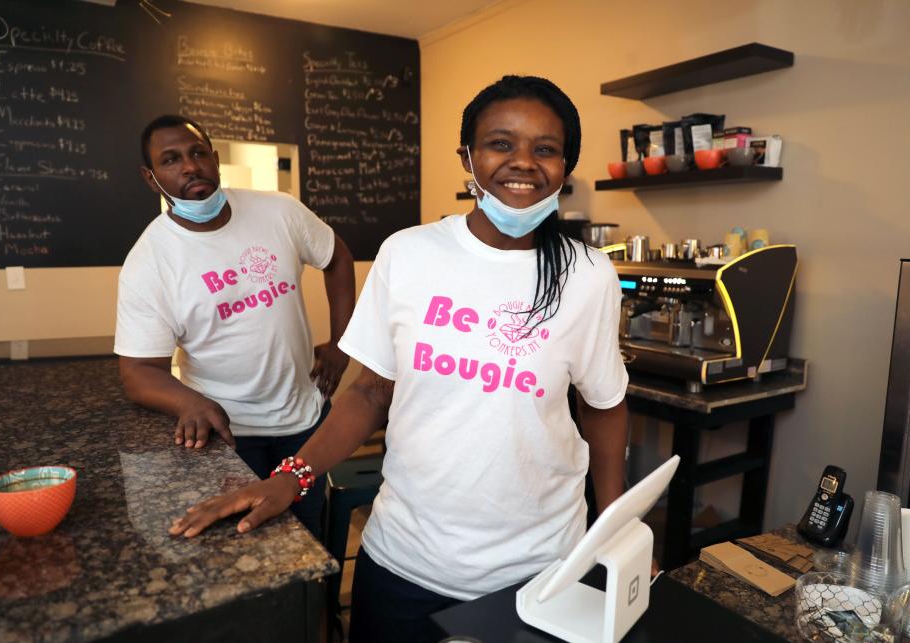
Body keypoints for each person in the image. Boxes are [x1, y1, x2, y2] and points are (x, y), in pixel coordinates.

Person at [168, 76, 630, 643]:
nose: (523, 163)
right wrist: (292, 477)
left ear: (565, 166)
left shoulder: (588, 276)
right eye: (501, 143)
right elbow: (369, 392)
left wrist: (612, 529)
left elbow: (605, 407)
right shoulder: (410, 253)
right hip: (404, 562)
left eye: (546, 148)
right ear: (467, 155)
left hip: (538, 569)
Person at [115, 115, 355, 540]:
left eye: (198, 152)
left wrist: (342, 341)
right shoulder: (150, 260)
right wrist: (187, 402)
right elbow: (138, 370)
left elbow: (337, 258)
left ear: (215, 158)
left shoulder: (279, 210)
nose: (190, 166)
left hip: (304, 424)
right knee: (243, 542)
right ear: (151, 179)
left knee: (306, 539)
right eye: (171, 160)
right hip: (227, 435)